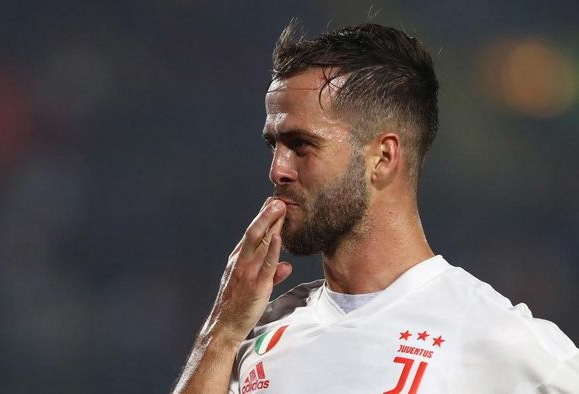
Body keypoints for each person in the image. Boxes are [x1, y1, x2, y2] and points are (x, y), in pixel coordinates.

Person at [171, 21, 579, 393]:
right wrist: (222, 331)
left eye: (301, 145)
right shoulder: (256, 335)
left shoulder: (496, 339)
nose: (278, 170)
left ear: (382, 158)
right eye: (273, 145)